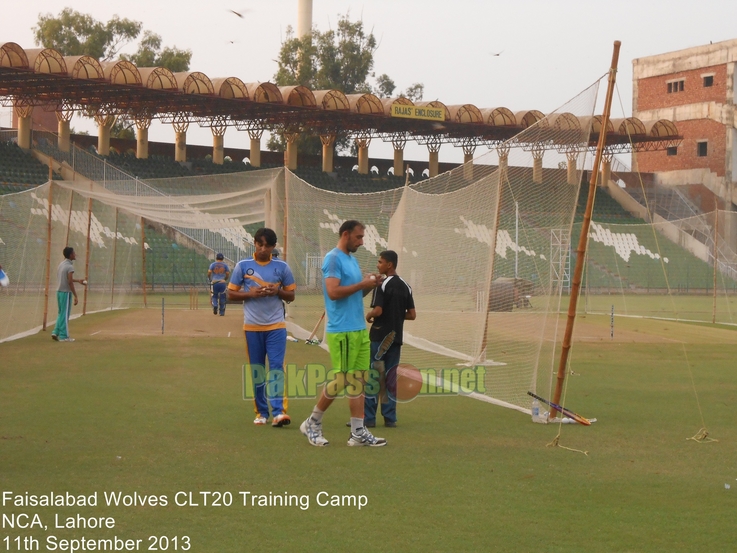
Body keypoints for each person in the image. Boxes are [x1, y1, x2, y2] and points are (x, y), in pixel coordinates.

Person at [300, 220, 386, 447]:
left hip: (358, 328)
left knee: (358, 380)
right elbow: (333, 292)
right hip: (343, 330)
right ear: (345, 234)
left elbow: (356, 294)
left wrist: (371, 284)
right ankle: (312, 421)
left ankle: (358, 432)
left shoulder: (351, 259)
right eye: (358, 237)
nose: (361, 241)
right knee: (342, 379)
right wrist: (361, 284)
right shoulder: (334, 258)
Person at [227, 228, 296, 427]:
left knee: (276, 368)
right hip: (252, 327)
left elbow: (291, 296)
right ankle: (261, 412)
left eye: (267, 245)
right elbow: (231, 295)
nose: (263, 248)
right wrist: (251, 294)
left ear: (274, 247)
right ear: (255, 243)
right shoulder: (243, 266)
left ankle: (279, 413)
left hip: (276, 326)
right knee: (257, 370)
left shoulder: (282, 267)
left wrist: (278, 291)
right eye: (260, 244)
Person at [364, 250, 416, 427]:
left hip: (380, 337)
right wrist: (396, 316)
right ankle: (390, 419)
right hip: (396, 338)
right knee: (390, 377)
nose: (378, 265)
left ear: (389, 265)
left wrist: (369, 315)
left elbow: (378, 311)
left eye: (380, 262)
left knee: (374, 377)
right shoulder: (405, 285)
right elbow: (412, 314)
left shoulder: (382, 284)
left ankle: (369, 419)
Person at [51, 246, 86, 342]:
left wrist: (78, 280)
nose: (75, 255)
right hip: (66, 293)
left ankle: (55, 331)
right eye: (74, 253)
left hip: (59, 292)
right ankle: (64, 336)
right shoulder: (70, 266)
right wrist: (75, 295)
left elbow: (67, 279)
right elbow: (69, 282)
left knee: (61, 313)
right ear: (70, 255)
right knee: (65, 314)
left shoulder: (61, 264)